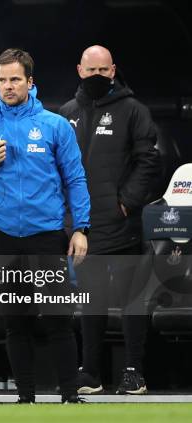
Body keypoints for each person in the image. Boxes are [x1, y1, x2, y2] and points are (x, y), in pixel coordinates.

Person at [0, 48, 91, 403]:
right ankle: (25, 399)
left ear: (31, 82)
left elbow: (75, 179)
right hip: (2, 236)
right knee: (16, 320)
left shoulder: (54, 125)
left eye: (15, 79)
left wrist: (81, 229)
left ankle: (71, 398)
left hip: (46, 235)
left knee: (58, 318)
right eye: (1, 80)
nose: (8, 86)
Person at [59, 45, 160, 395]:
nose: (97, 77)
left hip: (124, 227)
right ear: (79, 70)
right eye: (91, 71)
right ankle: (91, 373)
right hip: (84, 229)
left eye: (103, 71)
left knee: (134, 300)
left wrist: (126, 204)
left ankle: (134, 372)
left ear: (113, 71)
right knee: (90, 302)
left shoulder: (134, 111)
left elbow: (148, 162)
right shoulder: (67, 114)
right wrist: (69, 218)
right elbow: (57, 169)